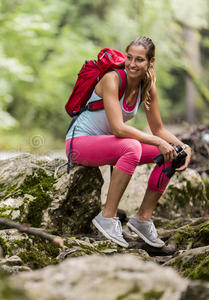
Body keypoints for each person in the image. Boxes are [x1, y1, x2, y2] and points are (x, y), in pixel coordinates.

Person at [65, 36, 192, 248]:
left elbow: (158, 129)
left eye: (139, 60)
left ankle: (142, 219)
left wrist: (184, 147)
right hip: (79, 143)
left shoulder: (148, 88)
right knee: (132, 147)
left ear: (151, 62)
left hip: (109, 144)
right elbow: (118, 128)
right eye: (130, 57)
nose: (132, 64)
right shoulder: (112, 79)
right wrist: (157, 142)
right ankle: (107, 216)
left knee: (173, 153)